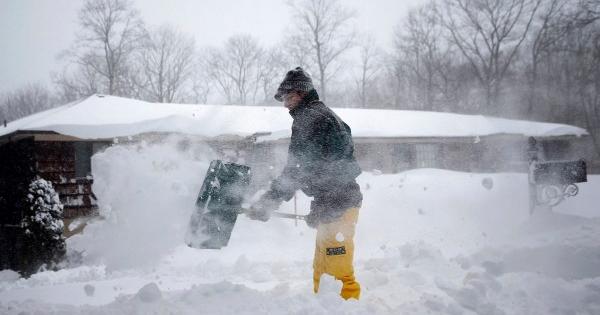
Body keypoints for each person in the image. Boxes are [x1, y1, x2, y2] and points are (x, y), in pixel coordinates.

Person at [246, 67, 363, 300]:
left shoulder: (310, 118)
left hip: (339, 201)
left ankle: (346, 308)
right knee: (323, 265)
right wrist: (322, 203)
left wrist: (269, 201)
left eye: (288, 98)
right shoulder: (323, 114)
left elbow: (297, 169)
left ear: (300, 94)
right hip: (336, 201)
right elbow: (328, 162)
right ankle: (325, 306)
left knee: (337, 270)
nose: (285, 104)